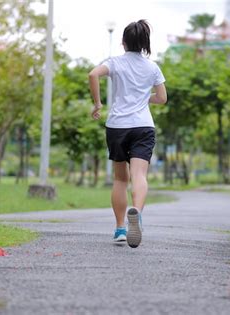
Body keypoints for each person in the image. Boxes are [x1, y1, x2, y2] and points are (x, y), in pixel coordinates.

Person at [88, 19, 167, 248]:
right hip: (143, 125)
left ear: (123, 42)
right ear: (145, 43)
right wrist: (145, 97)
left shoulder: (115, 63)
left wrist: (98, 104)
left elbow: (93, 74)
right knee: (139, 175)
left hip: (117, 126)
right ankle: (138, 213)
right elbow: (162, 98)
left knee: (120, 179)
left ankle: (121, 228)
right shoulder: (152, 67)